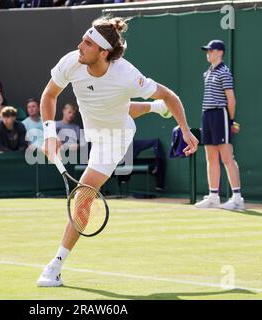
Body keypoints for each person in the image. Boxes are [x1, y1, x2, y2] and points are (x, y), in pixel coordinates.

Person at [36, 17, 198, 287]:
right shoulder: (71, 61)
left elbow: (170, 95)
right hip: (96, 122)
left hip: (115, 137)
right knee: (119, 107)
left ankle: (55, 267)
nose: (79, 46)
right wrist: (50, 134)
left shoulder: (126, 74)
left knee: (84, 196)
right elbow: (49, 95)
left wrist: (185, 129)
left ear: (103, 52)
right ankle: (153, 109)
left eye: (87, 43)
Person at [194, 40, 244, 211]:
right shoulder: (207, 73)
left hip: (220, 114)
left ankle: (237, 198)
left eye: (211, 50)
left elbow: (231, 99)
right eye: (207, 50)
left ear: (220, 53)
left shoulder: (224, 72)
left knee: (227, 157)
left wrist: (230, 121)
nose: (208, 53)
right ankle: (213, 196)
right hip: (206, 114)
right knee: (211, 157)